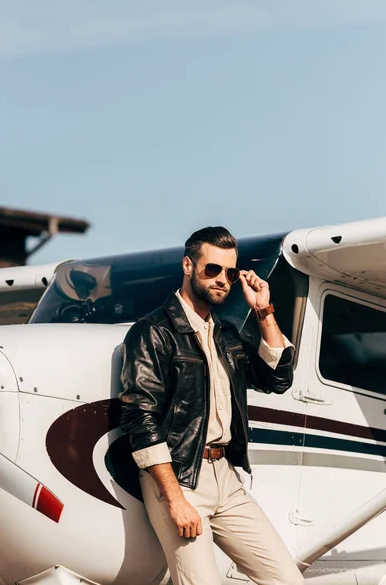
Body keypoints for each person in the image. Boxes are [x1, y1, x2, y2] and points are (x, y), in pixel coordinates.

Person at [119, 226, 304, 585]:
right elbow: (140, 417)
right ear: (188, 266)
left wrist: (264, 311)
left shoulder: (226, 335)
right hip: (180, 476)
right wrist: (173, 499)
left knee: (288, 580)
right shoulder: (153, 332)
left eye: (230, 273)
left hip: (227, 478)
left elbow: (277, 379)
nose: (223, 279)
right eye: (212, 269)